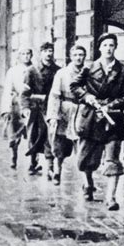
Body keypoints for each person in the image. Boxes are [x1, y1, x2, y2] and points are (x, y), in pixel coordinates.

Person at [70, 33, 124, 208]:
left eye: (111, 45)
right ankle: (88, 183)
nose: (108, 48)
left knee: (113, 160)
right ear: (99, 48)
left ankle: (111, 198)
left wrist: (110, 106)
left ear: (116, 47)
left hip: (113, 119)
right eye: (105, 45)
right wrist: (87, 97)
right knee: (85, 160)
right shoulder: (89, 68)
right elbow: (74, 86)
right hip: (91, 119)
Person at [46, 44, 87, 185]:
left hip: (82, 110)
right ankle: (57, 172)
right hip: (65, 110)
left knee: (82, 145)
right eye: (75, 55)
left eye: (81, 55)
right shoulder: (62, 73)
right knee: (60, 144)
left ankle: (85, 180)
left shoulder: (88, 72)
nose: (78, 58)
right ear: (71, 56)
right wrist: (53, 116)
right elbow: (55, 95)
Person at [0, 47, 40, 170]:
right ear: (19, 56)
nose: (26, 56)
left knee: (33, 134)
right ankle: (14, 158)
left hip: (31, 105)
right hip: (16, 106)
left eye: (28, 53)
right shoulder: (13, 71)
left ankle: (33, 162)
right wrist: (6, 109)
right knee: (14, 134)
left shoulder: (35, 70)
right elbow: (7, 90)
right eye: (23, 53)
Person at [34, 42, 61, 179]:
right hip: (37, 109)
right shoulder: (34, 70)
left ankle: (50, 167)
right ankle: (34, 161)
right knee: (36, 136)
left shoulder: (58, 70)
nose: (49, 53)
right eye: (45, 51)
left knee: (50, 136)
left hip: (52, 108)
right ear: (41, 53)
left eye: (51, 51)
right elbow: (27, 92)